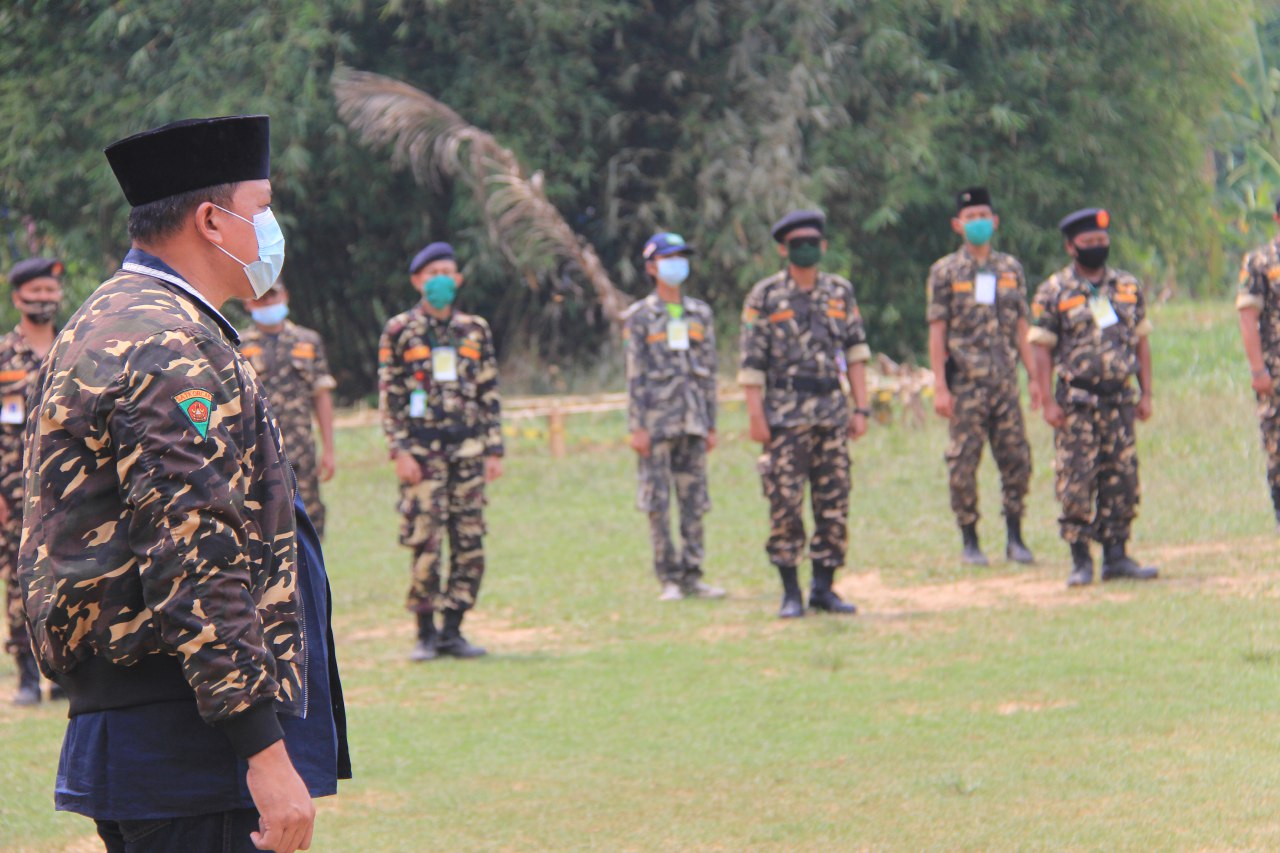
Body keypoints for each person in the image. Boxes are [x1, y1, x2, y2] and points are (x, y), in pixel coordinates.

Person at [18, 115, 348, 853]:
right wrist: (261, 750)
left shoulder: (111, 318)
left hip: (149, 733)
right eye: (260, 209)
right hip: (188, 746)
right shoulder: (169, 343)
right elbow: (194, 556)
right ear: (211, 220)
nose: (270, 229)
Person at [738, 209, 872, 618]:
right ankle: (790, 592)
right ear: (784, 249)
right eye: (797, 243)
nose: (807, 248)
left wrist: (861, 407)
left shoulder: (840, 293)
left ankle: (823, 588)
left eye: (813, 241)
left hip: (832, 414)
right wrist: (756, 417)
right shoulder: (764, 297)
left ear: (825, 246)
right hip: (784, 417)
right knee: (785, 505)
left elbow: (856, 353)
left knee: (834, 504)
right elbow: (751, 365)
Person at [379, 241, 503, 661]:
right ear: (417, 281)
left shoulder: (475, 329)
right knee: (425, 540)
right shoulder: (399, 330)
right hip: (422, 453)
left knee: (469, 541)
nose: (440, 281)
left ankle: (454, 628)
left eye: (447, 272)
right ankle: (426, 632)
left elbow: (489, 391)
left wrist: (493, 449)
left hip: (467, 450)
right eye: (432, 274)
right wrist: (400, 451)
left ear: (459, 279)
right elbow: (390, 394)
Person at [1028, 207, 1158, 587]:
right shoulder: (1054, 291)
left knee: (1121, 478)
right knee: (1076, 480)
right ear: (1071, 247)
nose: (1097, 248)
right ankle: (1080, 560)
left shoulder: (1128, 288)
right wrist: (1047, 400)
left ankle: (1116, 556)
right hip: (1077, 403)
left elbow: (1142, 343)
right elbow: (1041, 349)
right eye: (1089, 243)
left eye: (1102, 242)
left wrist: (1146, 393)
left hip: (1120, 401)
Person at [926, 187, 1038, 566]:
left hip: (1005, 383)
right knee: (963, 463)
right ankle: (970, 540)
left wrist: (1036, 379)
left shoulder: (1010, 269)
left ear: (995, 221)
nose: (978, 223)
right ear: (958, 225)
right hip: (966, 385)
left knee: (1016, 459)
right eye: (970, 217)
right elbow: (937, 331)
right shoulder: (944, 272)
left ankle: (1015, 537)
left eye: (983, 216)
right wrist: (940, 386)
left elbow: (1022, 327)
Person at [624, 232, 725, 601]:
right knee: (657, 503)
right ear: (652, 267)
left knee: (694, 501)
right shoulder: (639, 317)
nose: (677, 264)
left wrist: (712, 423)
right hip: (657, 423)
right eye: (669, 258)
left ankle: (693, 574)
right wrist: (637, 426)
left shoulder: (700, 313)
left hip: (694, 420)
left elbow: (710, 371)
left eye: (682, 256)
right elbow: (634, 374)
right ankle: (668, 577)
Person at [2, 257, 63, 706]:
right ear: (17, 298)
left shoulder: (74, 347)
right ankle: (26, 675)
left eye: (49, 291)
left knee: (72, 574)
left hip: (69, 489)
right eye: (35, 293)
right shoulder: (4, 355)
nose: (43, 299)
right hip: (12, 494)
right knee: (20, 581)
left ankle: (65, 672)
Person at [240, 281, 337, 536]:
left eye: (273, 297)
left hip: (302, 451)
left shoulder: (307, 341)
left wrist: (329, 449)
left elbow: (322, 395)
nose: (269, 303)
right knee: (267, 526)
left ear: (285, 295)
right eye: (261, 299)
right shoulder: (238, 345)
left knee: (310, 524)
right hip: (259, 453)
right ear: (248, 303)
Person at [1235, 200, 1280, 530]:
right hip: (1275, 373)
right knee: (1277, 445)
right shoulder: (1260, 263)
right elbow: (1248, 318)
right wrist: (1258, 370)